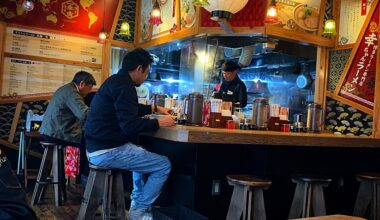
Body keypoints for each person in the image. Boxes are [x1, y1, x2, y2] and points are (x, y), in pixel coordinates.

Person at [85, 48, 175, 220]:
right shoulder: (125, 86)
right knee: (163, 165)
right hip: (106, 150)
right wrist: (158, 122)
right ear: (139, 69)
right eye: (147, 72)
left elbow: (128, 109)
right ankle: (139, 210)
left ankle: (136, 202)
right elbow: (129, 126)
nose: (146, 77)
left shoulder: (117, 81)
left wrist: (155, 109)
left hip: (96, 147)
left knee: (140, 149)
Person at [39, 71, 96, 182]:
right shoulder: (73, 93)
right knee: (84, 143)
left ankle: (71, 178)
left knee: (80, 140)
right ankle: (77, 179)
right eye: (89, 88)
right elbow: (84, 114)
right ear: (82, 84)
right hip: (56, 133)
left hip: (51, 131)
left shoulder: (66, 89)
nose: (89, 92)